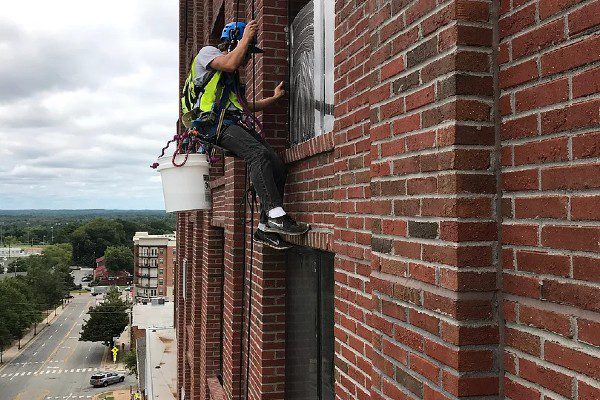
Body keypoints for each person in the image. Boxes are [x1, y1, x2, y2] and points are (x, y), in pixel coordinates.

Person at [181, 21, 309, 250]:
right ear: (233, 42)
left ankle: (264, 228)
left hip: (227, 122)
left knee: (277, 164)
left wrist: (273, 98)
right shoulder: (207, 54)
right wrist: (246, 38)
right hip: (210, 125)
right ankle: (275, 215)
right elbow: (230, 63)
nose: (249, 58)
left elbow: (245, 105)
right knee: (257, 154)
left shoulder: (229, 82)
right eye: (249, 51)